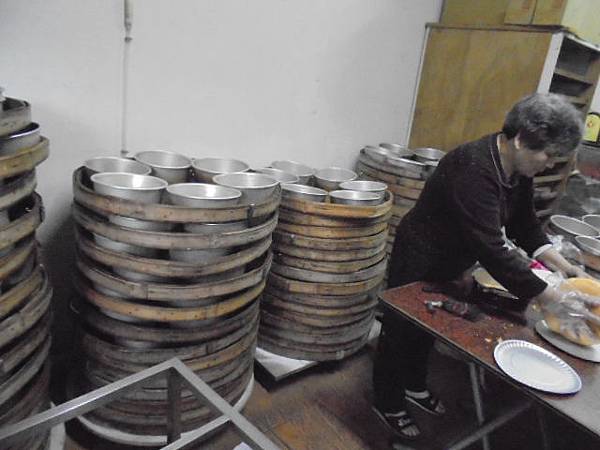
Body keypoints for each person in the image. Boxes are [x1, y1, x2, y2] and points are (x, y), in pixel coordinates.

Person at [372, 93, 585, 440]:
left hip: (454, 255)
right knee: (400, 329)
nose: (549, 164)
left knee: (428, 326)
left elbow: (524, 224)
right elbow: (492, 248)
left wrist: (564, 267)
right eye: (547, 155)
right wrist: (549, 296)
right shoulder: (472, 167)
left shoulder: (518, 169)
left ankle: (413, 384)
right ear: (521, 139)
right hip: (421, 254)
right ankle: (387, 401)